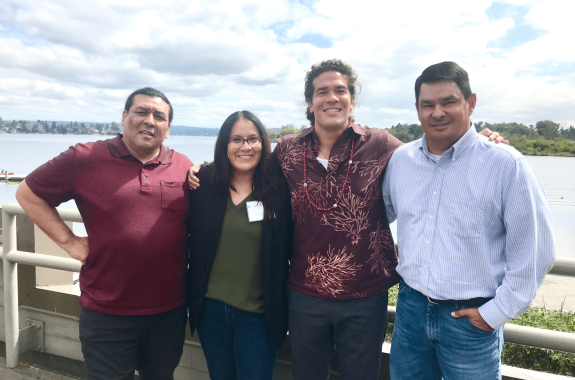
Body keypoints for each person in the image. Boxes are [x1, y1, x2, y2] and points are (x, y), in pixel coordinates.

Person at [188, 59, 505, 380]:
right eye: (321, 91)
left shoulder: (381, 145)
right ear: (310, 103)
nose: (332, 97)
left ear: (352, 99)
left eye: (340, 90)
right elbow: (245, 162)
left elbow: (431, 153)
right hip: (303, 295)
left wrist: (479, 141)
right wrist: (202, 170)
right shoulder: (287, 150)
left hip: (364, 298)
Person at [383, 61, 556, 379]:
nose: (437, 112)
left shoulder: (506, 166)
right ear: (418, 110)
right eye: (427, 104)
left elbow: (535, 254)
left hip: (471, 318)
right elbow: (380, 216)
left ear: (470, 103)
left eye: (448, 101)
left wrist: (495, 313)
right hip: (410, 309)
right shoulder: (401, 161)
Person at [16, 87, 191, 380]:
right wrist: (69, 242)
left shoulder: (183, 165)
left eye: (159, 116)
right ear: (124, 117)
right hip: (108, 312)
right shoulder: (85, 158)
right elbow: (28, 194)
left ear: (168, 129)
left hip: (168, 312)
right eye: (141, 112)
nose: (150, 120)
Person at [186, 110, 292, 380]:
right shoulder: (204, 184)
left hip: (258, 315)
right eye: (236, 140)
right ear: (224, 145)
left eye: (252, 139)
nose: (245, 147)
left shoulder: (280, 188)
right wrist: (195, 168)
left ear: (264, 143)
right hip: (211, 312)